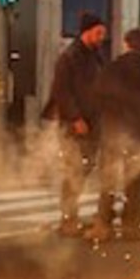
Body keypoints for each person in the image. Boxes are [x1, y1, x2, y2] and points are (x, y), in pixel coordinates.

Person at [85, 28, 140, 242]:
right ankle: (131, 225)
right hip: (139, 130)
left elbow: (97, 95)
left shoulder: (113, 68)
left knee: (109, 177)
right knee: (135, 178)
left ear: (126, 43)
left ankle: (104, 224)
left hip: (114, 128)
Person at [42, 12, 107, 237]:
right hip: (73, 124)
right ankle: (68, 219)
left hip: (93, 122)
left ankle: (72, 215)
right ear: (86, 32)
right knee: (73, 170)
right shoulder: (68, 57)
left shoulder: (96, 56)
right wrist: (75, 117)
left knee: (85, 168)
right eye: (98, 33)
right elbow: (61, 91)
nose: (102, 38)